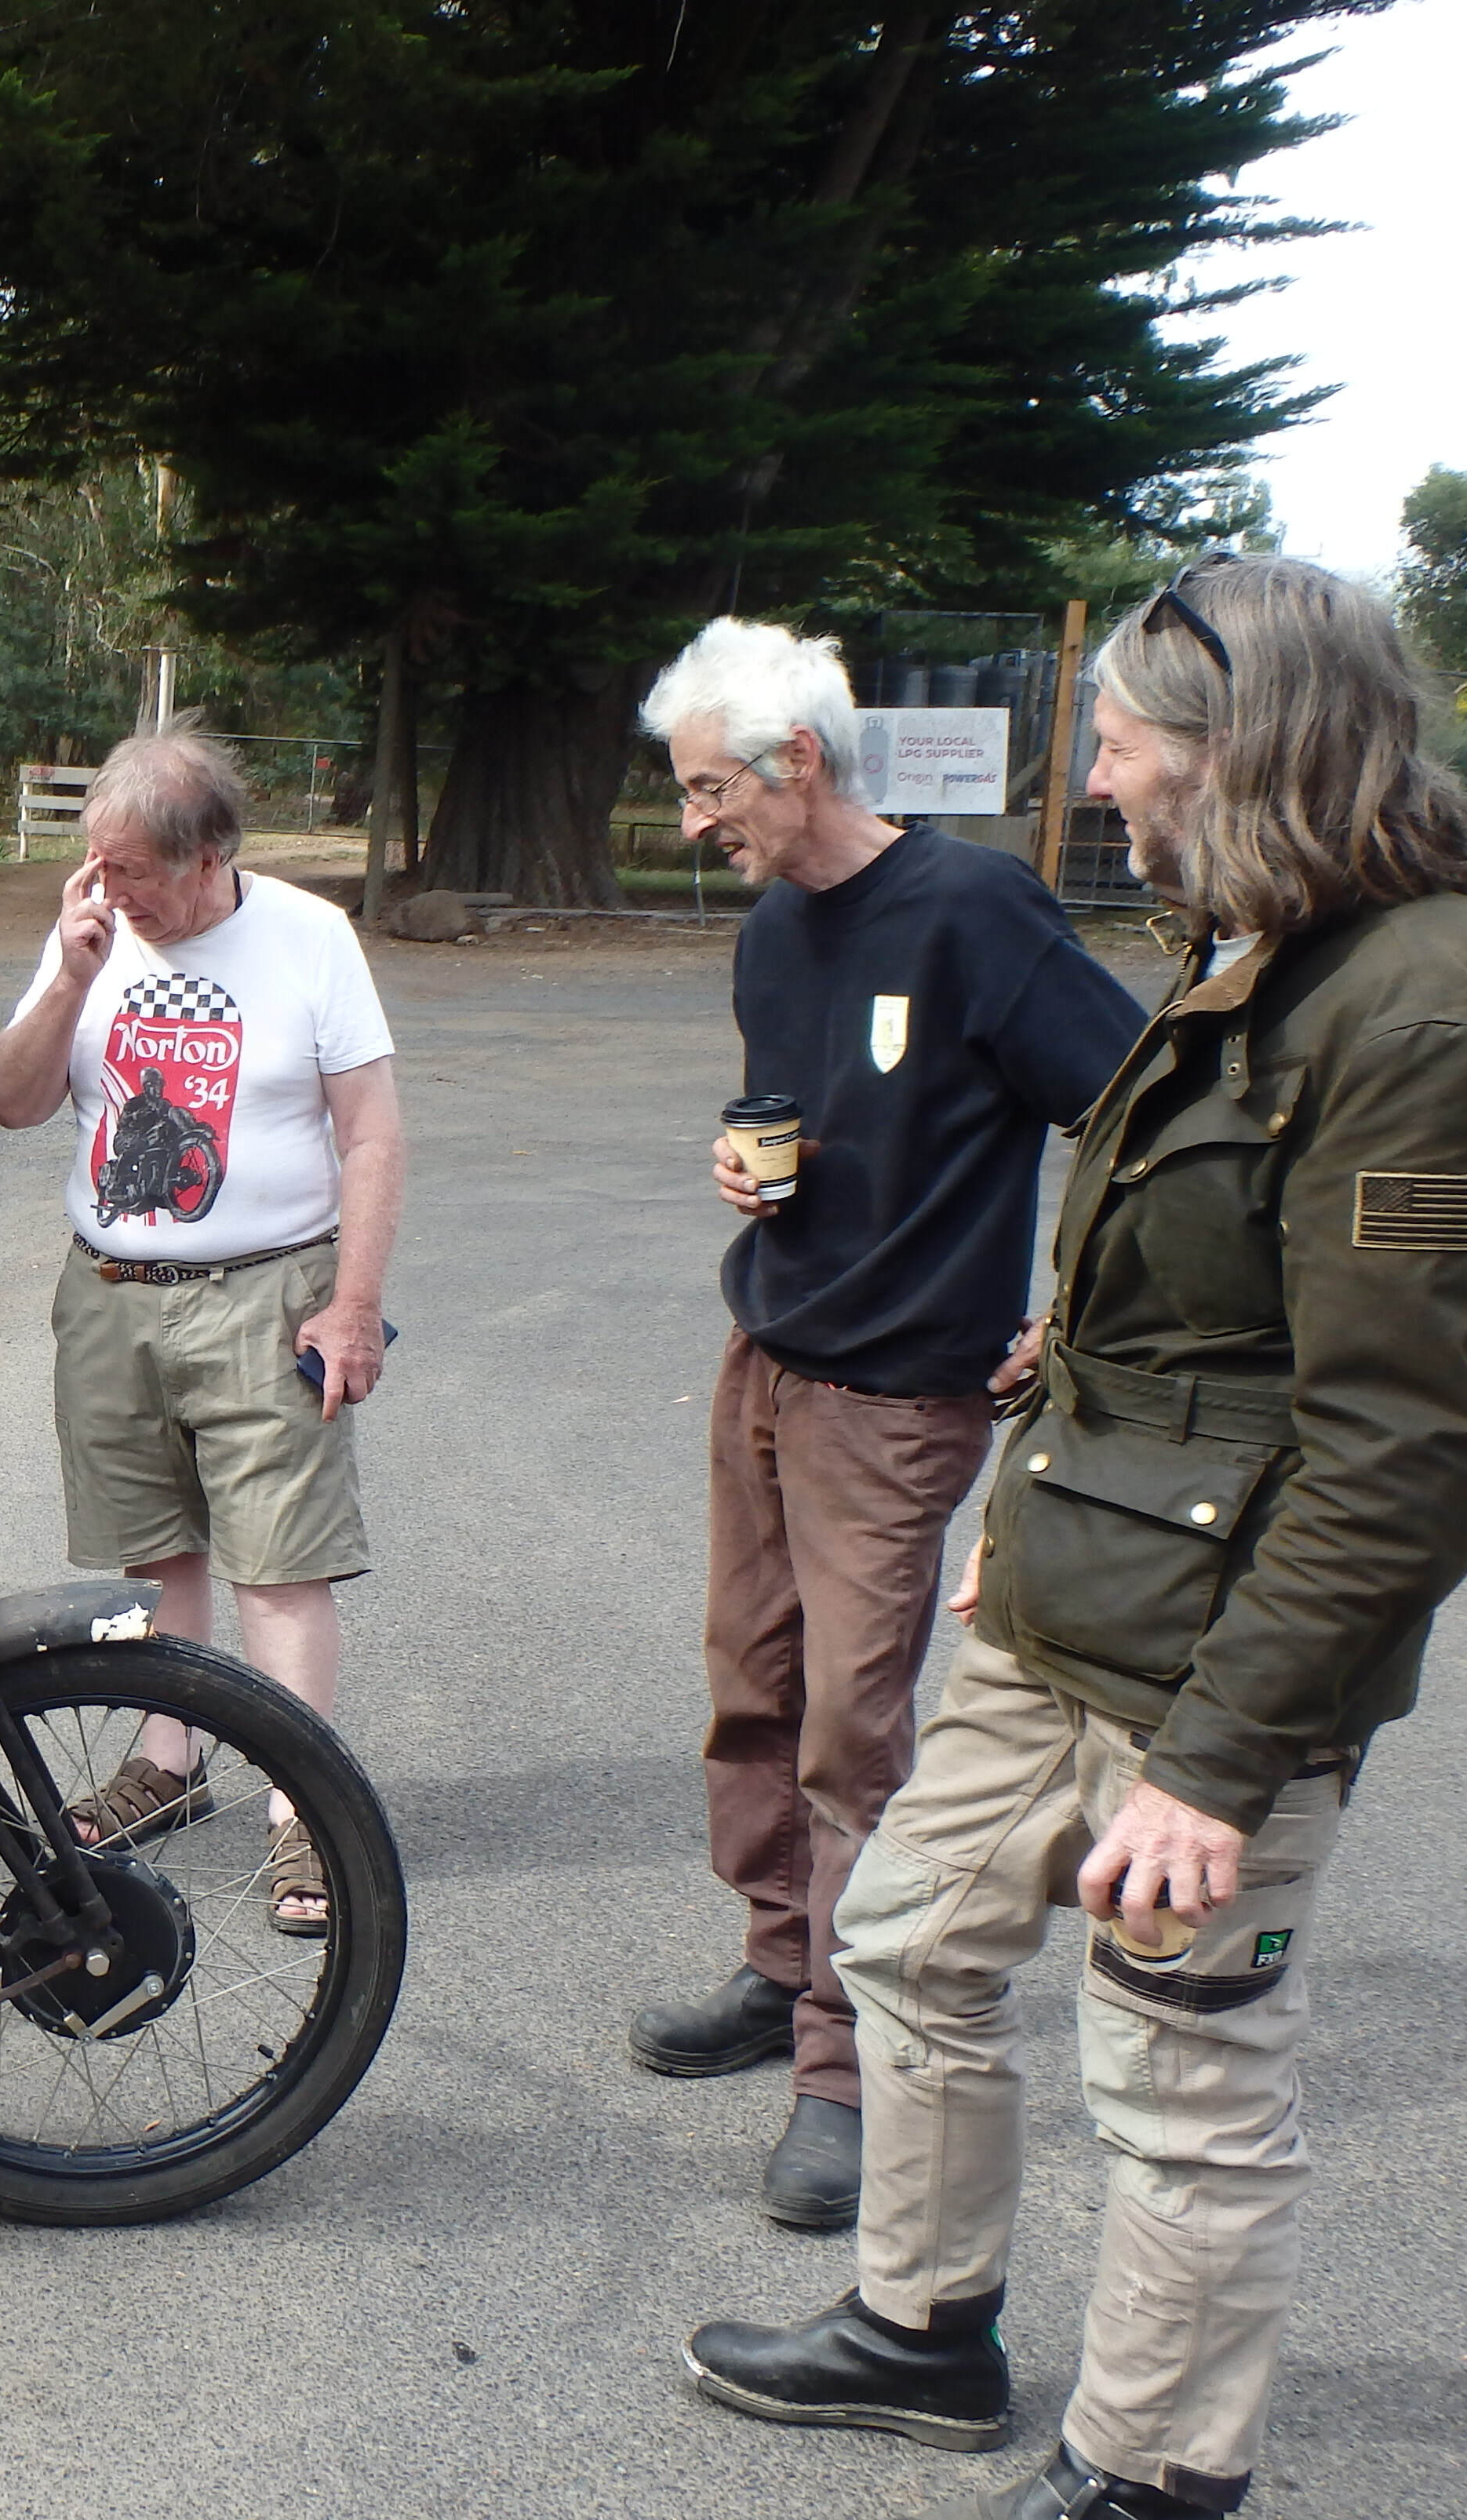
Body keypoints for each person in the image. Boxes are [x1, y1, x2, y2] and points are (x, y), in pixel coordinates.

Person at [683, 555, 1467, 2520]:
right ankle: (923, 2333)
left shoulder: (1423, 1006)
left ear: (1242, 744)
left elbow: (1400, 1444)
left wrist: (1229, 1763)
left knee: (1179, 2082)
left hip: (1219, 1678)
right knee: (901, 1932)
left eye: (1124, 735)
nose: (1094, 774)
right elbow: (1158, 1304)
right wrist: (1031, 1494)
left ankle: (1151, 2483)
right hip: (1065, 1594)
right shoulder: (1254, 949)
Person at [625, 621, 1147, 2230]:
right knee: (749, 1688)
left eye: (713, 790)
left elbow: (1136, 1109)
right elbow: (801, 1115)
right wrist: (744, 1171)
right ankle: (782, 1967)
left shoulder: (976, 911)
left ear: (799, 763)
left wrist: (1069, 1319)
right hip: (764, 1363)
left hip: (898, 1400)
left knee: (857, 1731)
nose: (696, 826)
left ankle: (844, 2072)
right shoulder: (775, 935)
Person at [0, 721, 403, 1936]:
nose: (114, 894)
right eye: (97, 868)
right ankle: (167, 1767)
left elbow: (371, 1133)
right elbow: (11, 1103)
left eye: (138, 873)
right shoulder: (91, 935)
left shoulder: (309, 938)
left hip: (268, 1290)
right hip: (112, 1290)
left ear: (213, 851)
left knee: (279, 1562)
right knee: (158, 1552)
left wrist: (355, 1303)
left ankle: (300, 1814)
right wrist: (69, 970)